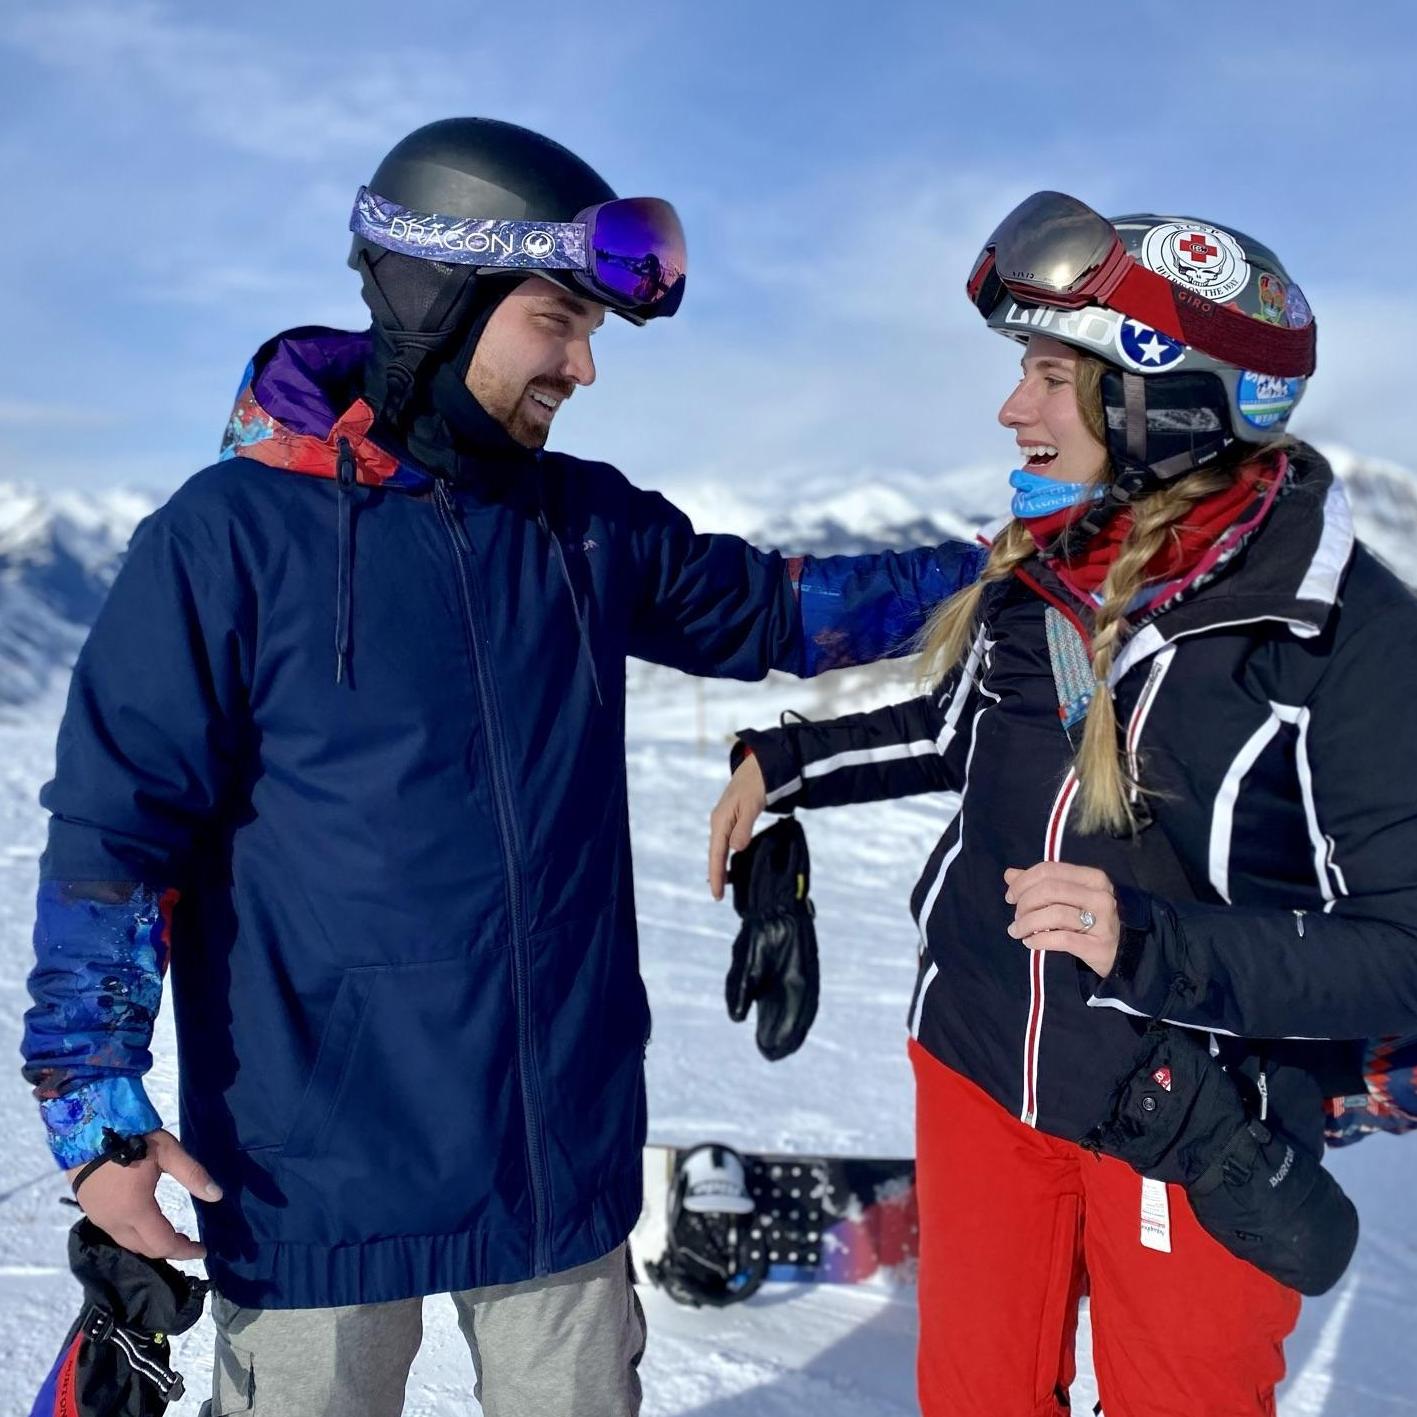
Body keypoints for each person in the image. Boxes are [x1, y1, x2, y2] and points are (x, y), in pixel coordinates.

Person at [19, 118, 979, 1417]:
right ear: (441, 298)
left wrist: (1017, 566)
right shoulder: (227, 540)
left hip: (554, 1169)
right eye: (555, 320)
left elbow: (784, 609)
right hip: (317, 1182)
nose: (584, 365)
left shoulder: (581, 528)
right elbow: (111, 841)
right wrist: (97, 1117)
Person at [708, 192, 1417, 1416]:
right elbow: (963, 731)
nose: (1010, 408)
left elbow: (1401, 946)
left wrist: (1150, 943)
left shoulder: (1342, 631)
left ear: (1162, 396)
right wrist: (789, 759)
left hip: (1188, 1115)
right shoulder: (1052, 573)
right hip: (982, 1063)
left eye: (1047, 373)